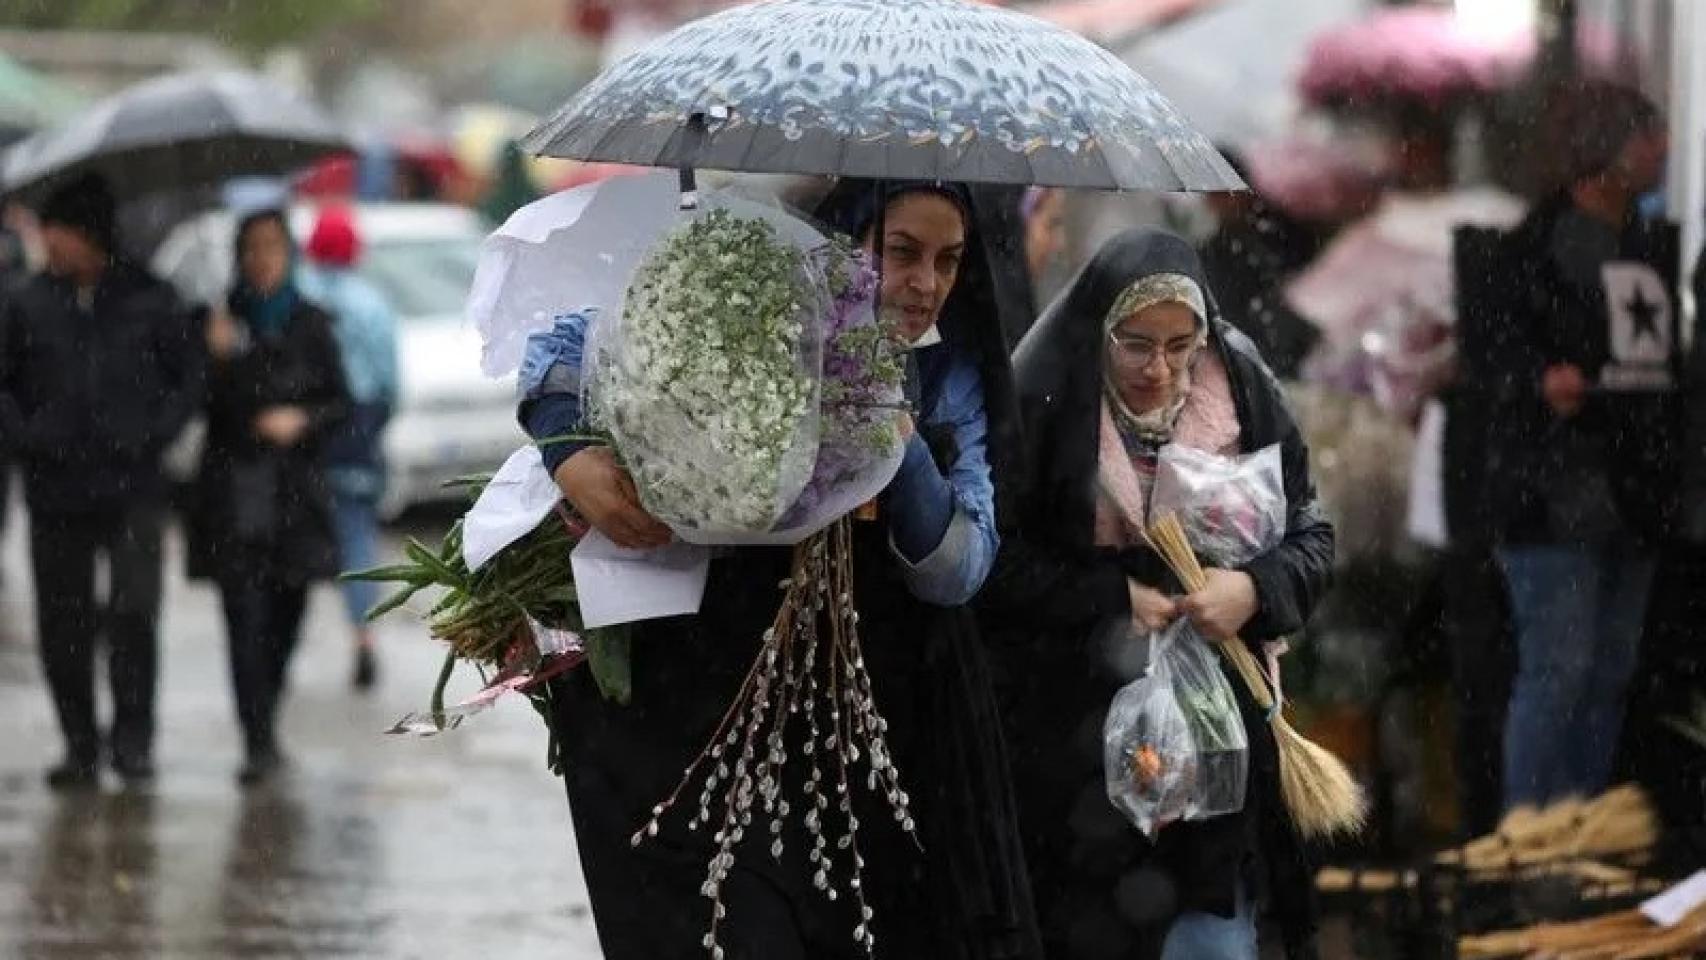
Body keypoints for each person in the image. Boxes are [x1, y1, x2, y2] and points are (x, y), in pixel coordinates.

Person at [518, 180, 1040, 959]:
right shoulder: (754, 305)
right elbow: (571, 346)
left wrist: (897, 445)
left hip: (858, 727)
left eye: (948, 261)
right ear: (847, 243)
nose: (925, 284)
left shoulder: (949, 374)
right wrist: (569, 451)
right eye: (900, 252)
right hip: (699, 699)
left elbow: (958, 570)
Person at [984, 228, 1335, 959]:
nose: (1160, 368)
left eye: (1181, 346)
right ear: (1098, 331)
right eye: (1136, 343)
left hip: (1220, 731)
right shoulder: (1046, 401)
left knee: (1212, 923)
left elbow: (1311, 536)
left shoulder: (1239, 388)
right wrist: (1111, 595)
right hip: (1080, 739)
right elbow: (998, 567)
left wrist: (1251, 587)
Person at [1480, 83, 1677, 810]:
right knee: (1558, 671)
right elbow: (1494, 355)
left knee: (1607, 674)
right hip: (1553, 497)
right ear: (1606, 148)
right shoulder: (1532, 248)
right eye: (1646, 137)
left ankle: (1584, 824)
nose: (1662, 152)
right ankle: (1529, 837)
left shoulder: (1649, 240)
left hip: (1631, 490)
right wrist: (1538, 380)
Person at [0, 173, 204, 788]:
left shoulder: (151, 298)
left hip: (134, 489)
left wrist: (153, 435)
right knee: (62, 621)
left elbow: (188, 378)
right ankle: (78, 743)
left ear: (88, 236)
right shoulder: (26, 302)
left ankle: (133, 742)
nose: (47, 244)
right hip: (54, 490)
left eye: (55, 232)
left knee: (135, 612)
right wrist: (31, 436)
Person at [188, 208, 349, 786]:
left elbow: (342, 403)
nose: (261, 258)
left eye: (272, 246)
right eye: (251, 247)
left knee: (285, 616)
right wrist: (217, 357)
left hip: (296, 500)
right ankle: (255, 739)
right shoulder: (217, 322)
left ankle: (267, 714)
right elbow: (200, 405)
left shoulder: (311, 322)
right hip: (234, 498)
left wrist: (301, 418)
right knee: (244, 620)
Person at [299, 205, 399, 691]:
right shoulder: (371, 304)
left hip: (308, 429)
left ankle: (284, 645)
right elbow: (388, 383)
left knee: (296, 538)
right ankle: (363, 639)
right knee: (357, 539)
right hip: (358, 428)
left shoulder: (299, 296)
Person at [1197, 149, 1320, 381]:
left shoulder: (1285, 230)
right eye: (1212, 194)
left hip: (1293, 353)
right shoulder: (1212, 252)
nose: (1216, 202)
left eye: (1223, 192)